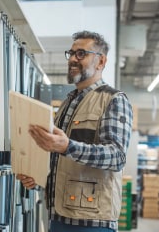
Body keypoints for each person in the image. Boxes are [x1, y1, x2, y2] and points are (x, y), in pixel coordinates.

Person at [16, 30, 133, 232]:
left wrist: (68, 146)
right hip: (58, 215)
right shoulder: (68, 102)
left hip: (92, 221)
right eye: (70, 53)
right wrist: (38, 178)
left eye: (81, 54)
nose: (72, 59)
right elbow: (59, 159)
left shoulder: (113, 100)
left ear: (101, 62)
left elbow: (117, 157)